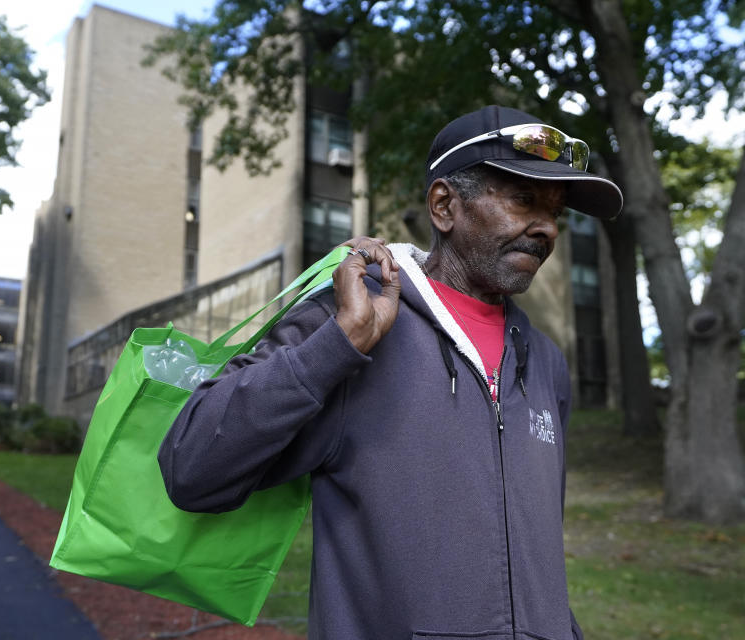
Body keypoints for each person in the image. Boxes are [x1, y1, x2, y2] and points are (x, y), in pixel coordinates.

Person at [158, 105, 623, 640]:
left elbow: (537, 555)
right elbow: (191, 466)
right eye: (523, 200)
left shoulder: (544, 362)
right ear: (445, 206)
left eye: (556, 212)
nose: (545, 228)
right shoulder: (350, 323)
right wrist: (334, 348)